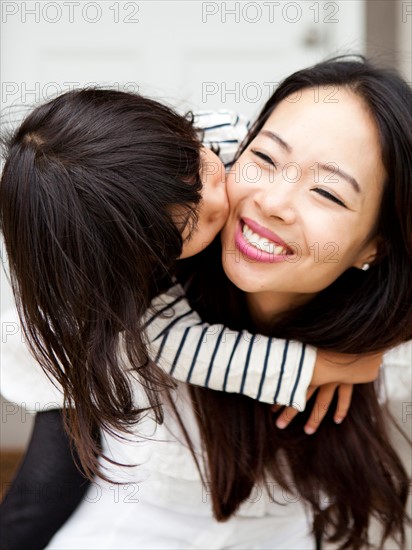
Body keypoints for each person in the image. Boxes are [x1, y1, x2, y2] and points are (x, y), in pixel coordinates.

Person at [1, 56, 411, 547]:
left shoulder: (217, 143)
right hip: (95, 383)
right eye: (188, 228)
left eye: (327, 191)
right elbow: (177, 344)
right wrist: (323, 367)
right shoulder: (145, 291)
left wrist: (371, 351)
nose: (226, 203)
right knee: (37, 505)